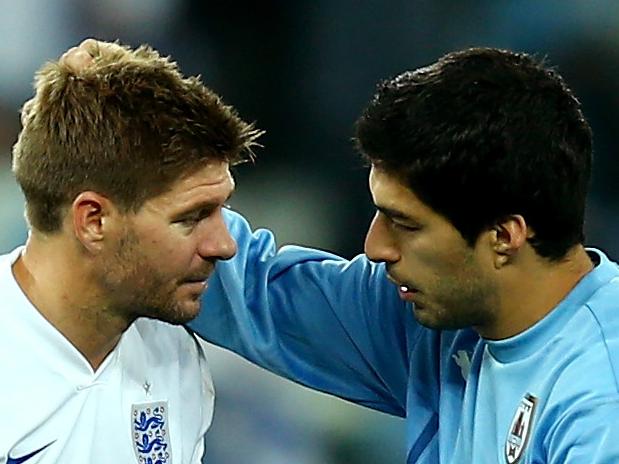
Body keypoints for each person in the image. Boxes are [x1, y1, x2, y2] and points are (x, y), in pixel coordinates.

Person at [191, 48, 619, 462]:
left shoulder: (600, 402)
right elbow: (246, 286)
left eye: (407, 224)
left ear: (504, 237)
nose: (375, 248)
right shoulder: (440, 314)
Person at [2, 39, 261, 463]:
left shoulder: (172, 355)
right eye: (193, 217)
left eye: (222, 210)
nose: (226, 245)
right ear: (94, 221)